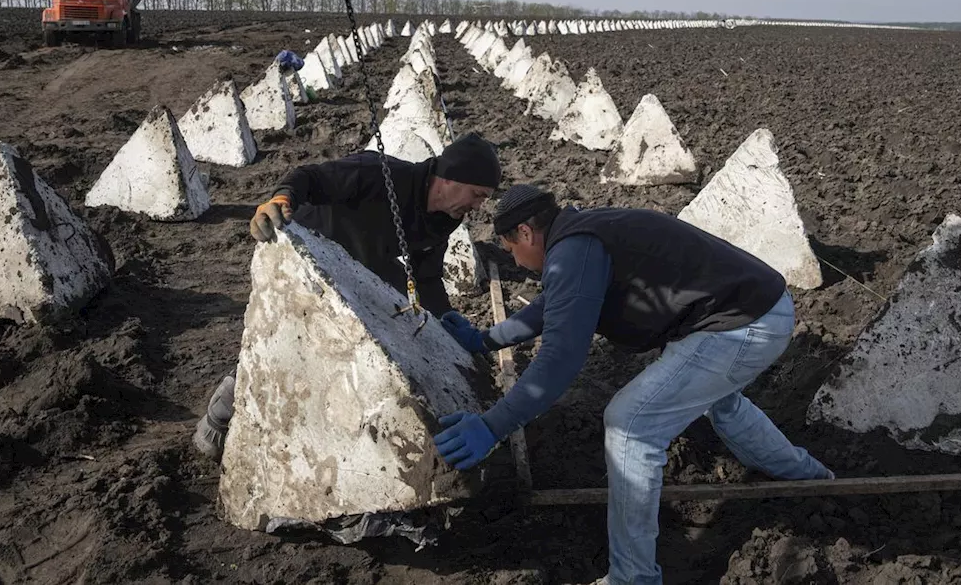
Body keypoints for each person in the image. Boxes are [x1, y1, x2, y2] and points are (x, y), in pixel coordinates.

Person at [434, 185, 831, 585]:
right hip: (754, 310)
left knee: (630, 426)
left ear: (524, 233)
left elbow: (560, 359)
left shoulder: (575, 249)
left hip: (743, 326)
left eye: (511, 248)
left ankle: (632, 578)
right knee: (722, 402)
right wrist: (486, 340)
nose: (517, 262)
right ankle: (803, 475)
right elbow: (554, 304)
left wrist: (492, 425)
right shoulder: (581, 236)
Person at [192, 133, 501, 460]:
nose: (478, 205)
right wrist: (282, 200)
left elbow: (425, 275)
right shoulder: (379, 173)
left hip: (362, 268)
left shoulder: (445, 219)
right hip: (313, 252)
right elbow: (310, 177)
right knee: (285, 337)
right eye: (478, 194)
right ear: (451, 178)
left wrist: (443, 322)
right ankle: (217, 419)